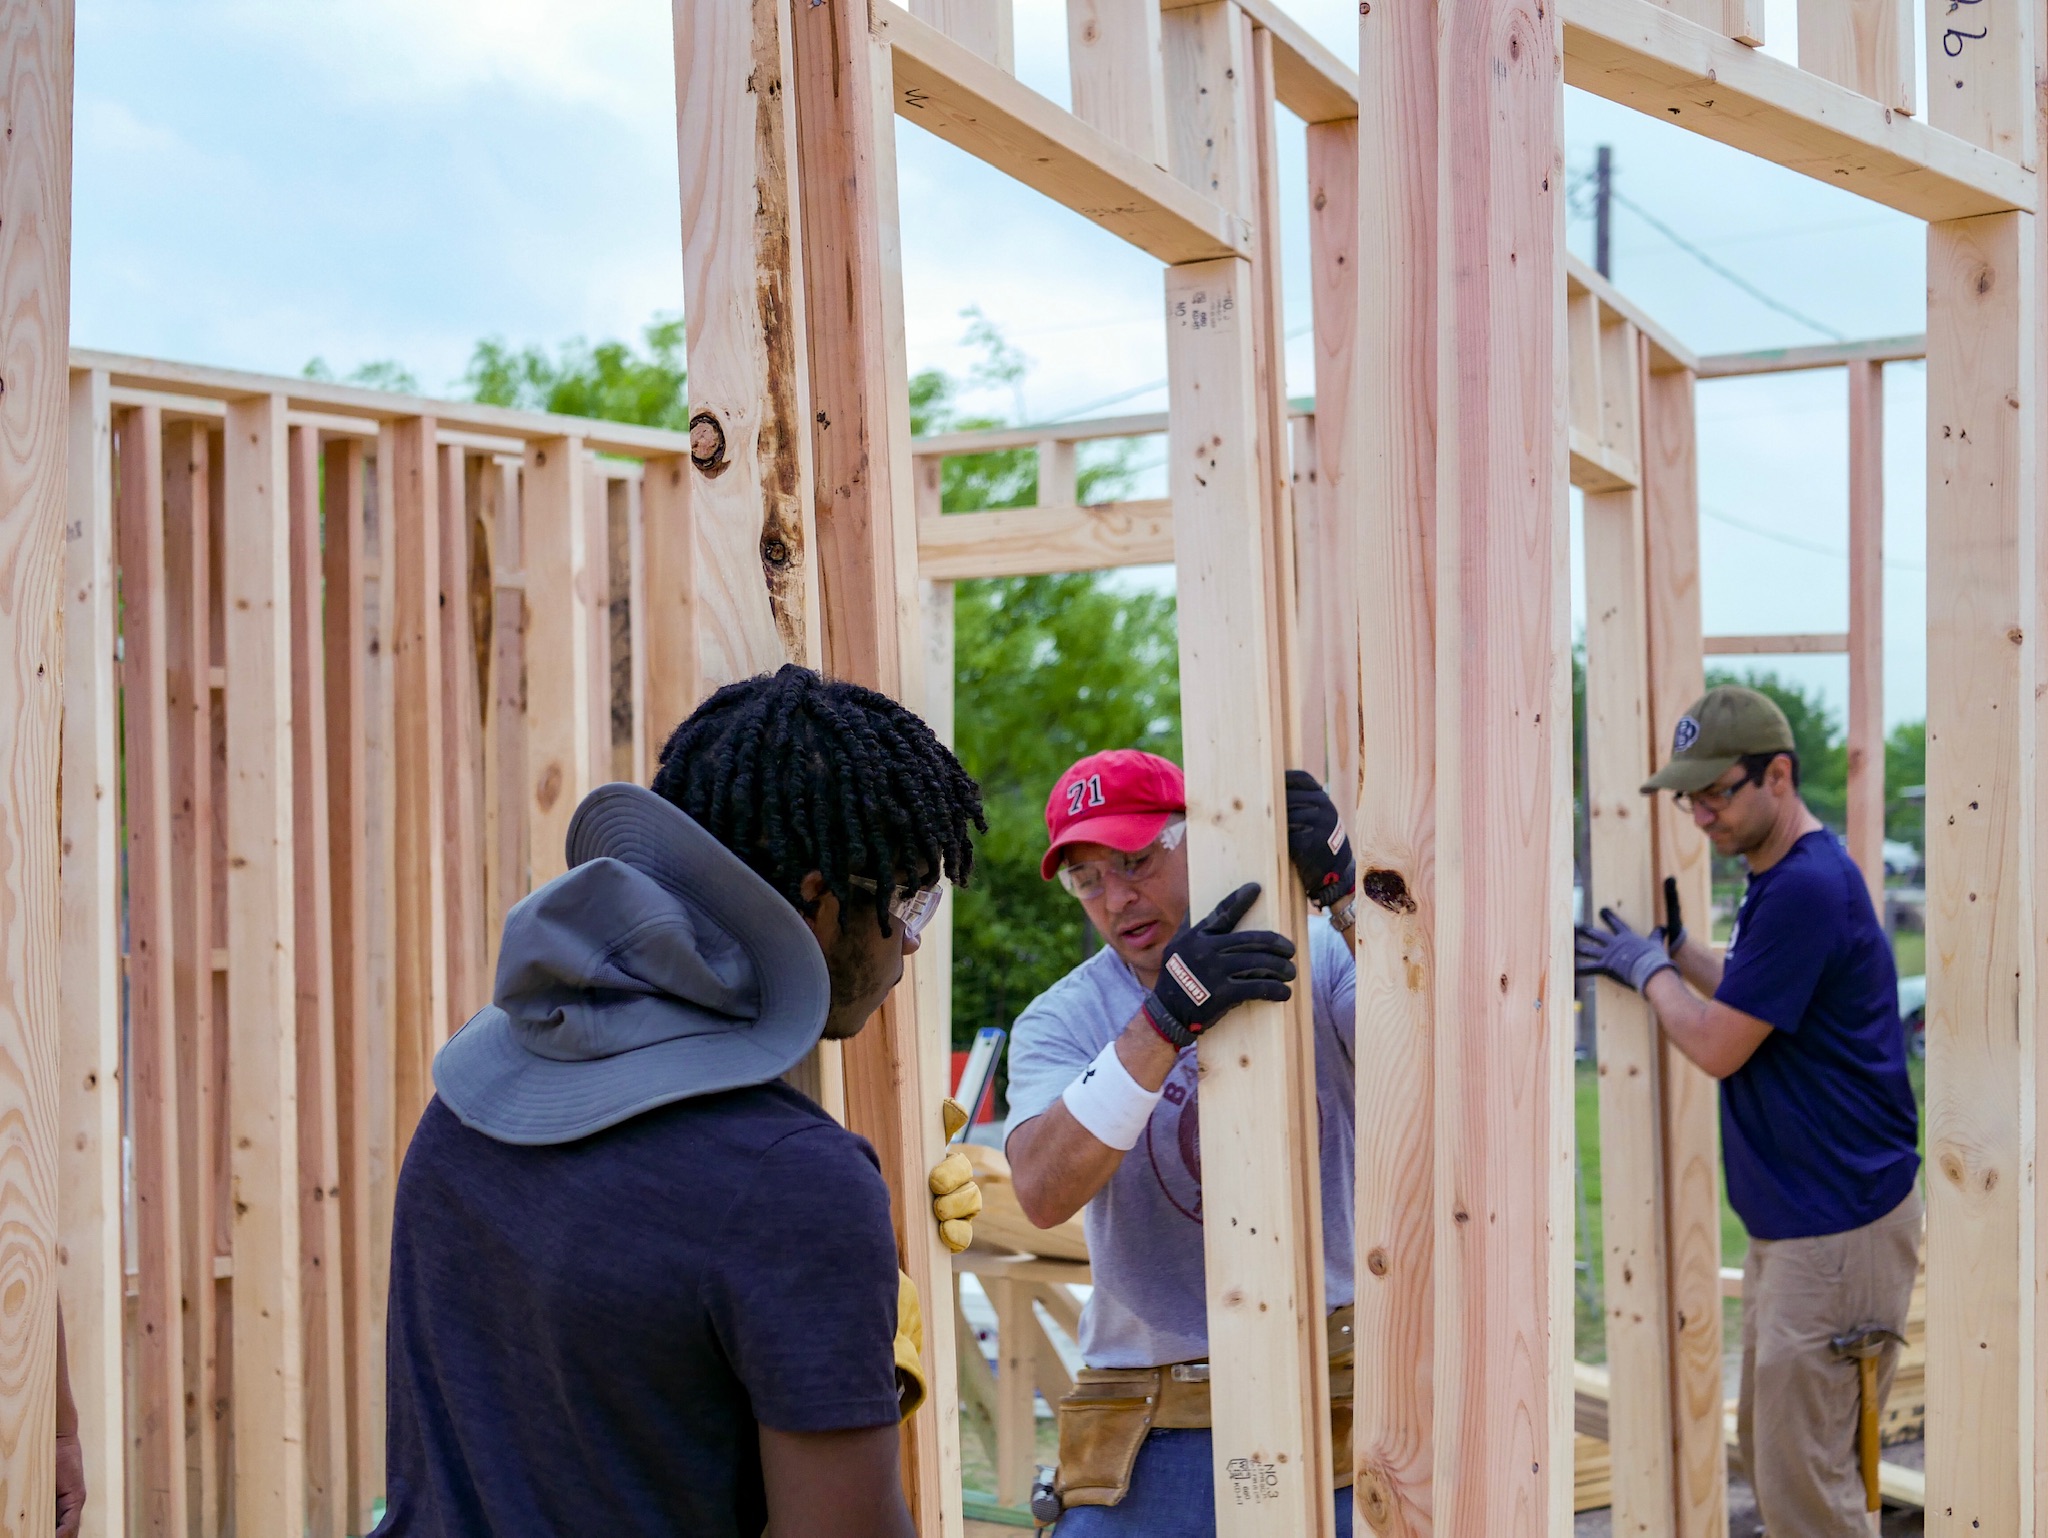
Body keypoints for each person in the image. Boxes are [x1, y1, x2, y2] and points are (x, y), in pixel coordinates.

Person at [373, 665, 986, 1538]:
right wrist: (840, 1316)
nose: (912, 945)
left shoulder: (471, 1105)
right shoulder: (795, 1186)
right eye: (907, 902)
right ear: (818, 904)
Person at [1576, 684, 1920, 1537]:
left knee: (1812, 1491)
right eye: (1689, 799)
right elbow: (1760, 994)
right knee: (1776, 1458)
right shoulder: (1786, 880)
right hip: (1807, 1229)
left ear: (1778, 776)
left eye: (1715, 794)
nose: (1700, 816)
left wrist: (1647, 973)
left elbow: (1718, 1045)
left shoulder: (1806, 887)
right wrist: (1680, 954)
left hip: (1837, 1233)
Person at [1003, 750, 1359, 1536]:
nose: (1116, 898)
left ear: (1200, 836)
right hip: (1151, 1415)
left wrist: (1351, 900)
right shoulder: (1062, 1019)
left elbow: (1433, 1072)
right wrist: (1164, 1021)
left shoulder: (1322, 958)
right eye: (1087, 879)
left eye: (1136, 860)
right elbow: (1042, 1190)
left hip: (1338, 1387)